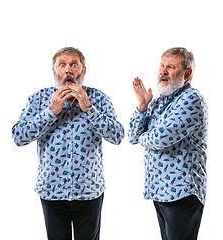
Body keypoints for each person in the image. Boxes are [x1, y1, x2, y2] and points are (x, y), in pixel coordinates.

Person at [12, 47, 124, 240]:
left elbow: (117, 136)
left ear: (83, 70)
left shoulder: (98, 98)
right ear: (54, 70)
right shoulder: (39, 99)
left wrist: (89, 109)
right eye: (62, 65)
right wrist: (50, 112)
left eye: (74, 65)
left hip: (89, 192)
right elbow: (18, 137)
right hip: (51, 191)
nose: (68, 70)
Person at [128, 47, 208, 240]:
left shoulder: (191, 99)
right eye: (162, 65)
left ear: (187, 73)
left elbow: (159, 139)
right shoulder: (157, 103)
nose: (163, 71)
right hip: (160, 191)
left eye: (170, 67)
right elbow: (131, 136)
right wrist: (142, 106)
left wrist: (144, 135)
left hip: (182, 193)